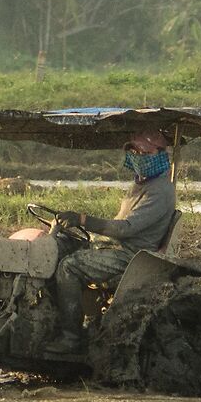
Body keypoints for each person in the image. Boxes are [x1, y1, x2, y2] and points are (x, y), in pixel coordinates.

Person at [44, 130, 177, 354]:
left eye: (144, 153)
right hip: (115, 246)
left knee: (69, 267)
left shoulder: (160, 191)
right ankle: (47, 318)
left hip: (132, 255)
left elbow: (125, 228)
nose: (138, 157)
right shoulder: (142, 184)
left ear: (160, 154)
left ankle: (71, 337)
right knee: (59, 247)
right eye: (134, 152)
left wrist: (83, 220)